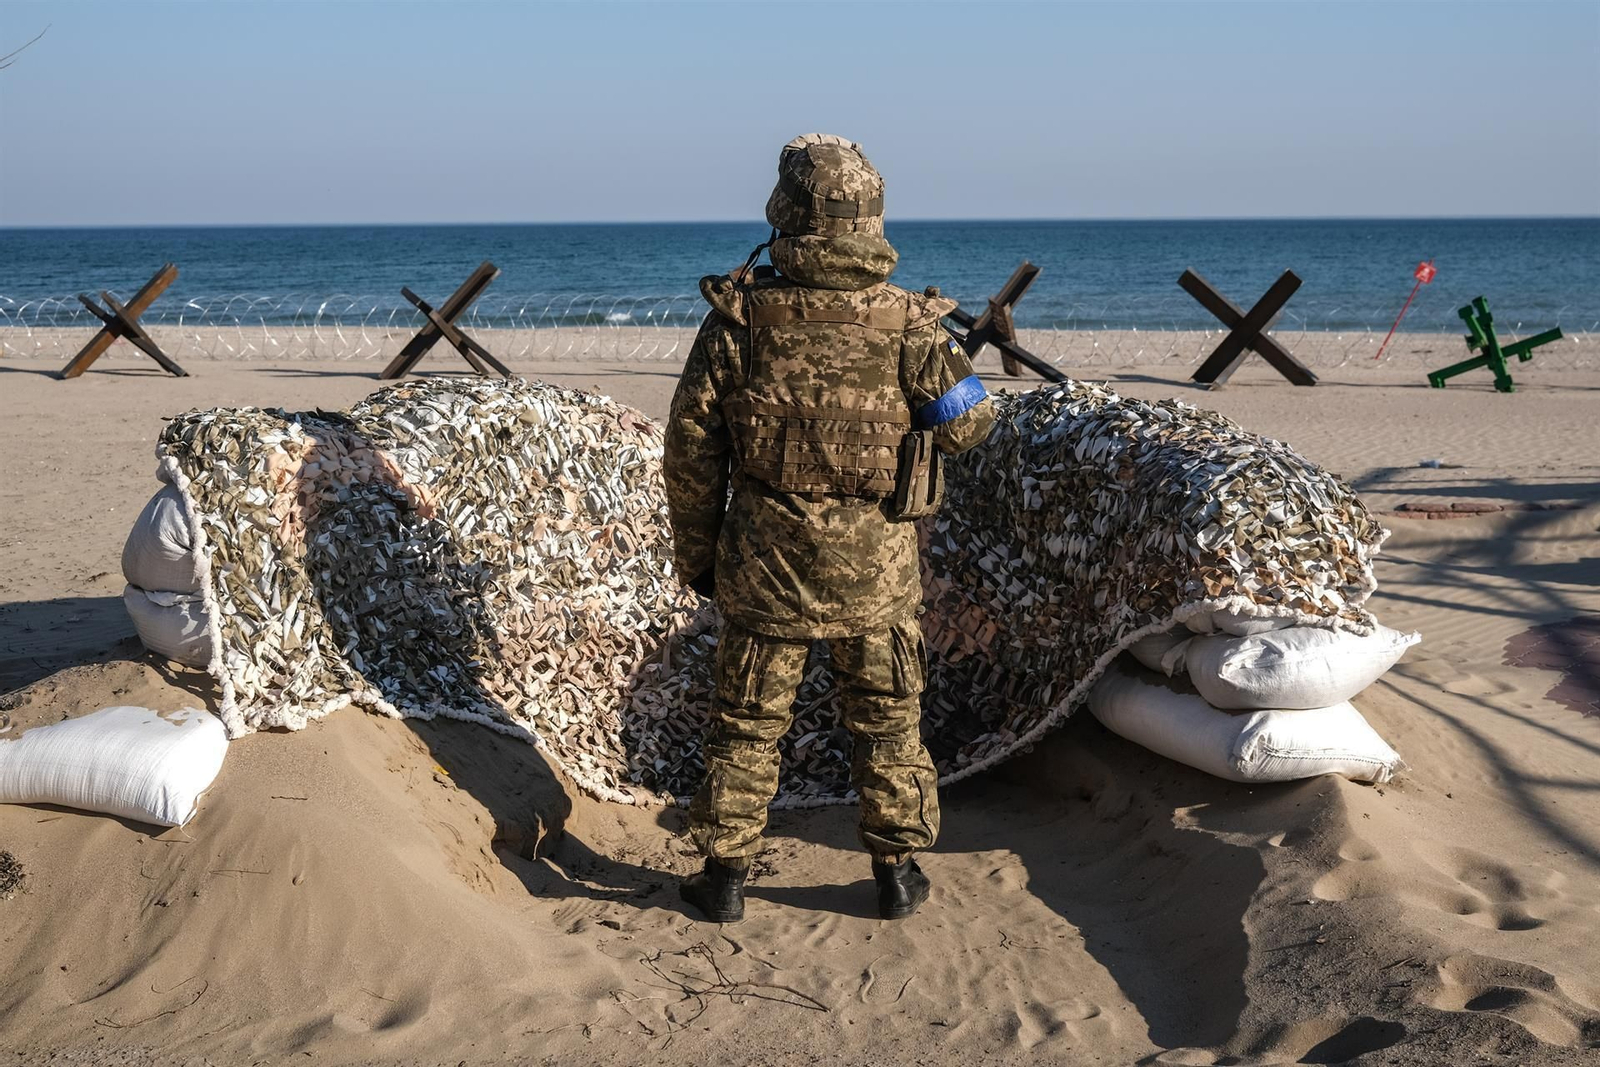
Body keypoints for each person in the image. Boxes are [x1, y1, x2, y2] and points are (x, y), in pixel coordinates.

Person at [663, 133, 995, 922]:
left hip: (763, 567)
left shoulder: (739, 319)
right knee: (887, 721)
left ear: (786, 214)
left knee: (747, 723)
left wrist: (700, 557)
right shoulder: (910, 325)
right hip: (876, 575)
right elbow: (971, 421)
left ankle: (726, 877)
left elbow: (690, 452)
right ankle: (897, 873)